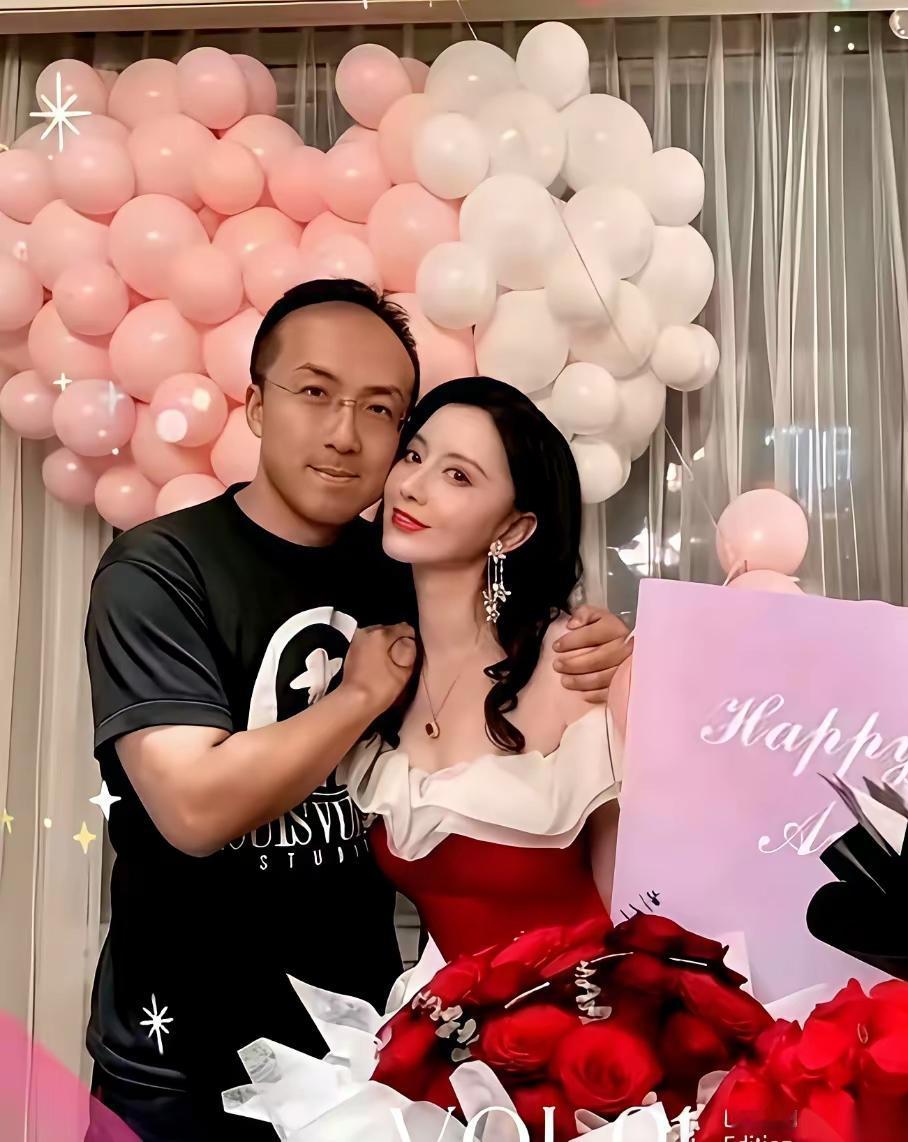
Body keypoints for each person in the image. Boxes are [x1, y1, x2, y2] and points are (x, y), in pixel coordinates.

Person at [83, 280, 631, 1142]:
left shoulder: (402, 570)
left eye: (380, 411)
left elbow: (505, 651)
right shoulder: (160, 571)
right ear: (256, 404)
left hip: (365, 1054)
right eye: (314, 392)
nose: (346, 434)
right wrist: (363, 695)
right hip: (183, 1058)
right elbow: (193, 810)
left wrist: (605, 650)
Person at [338, 377, 625, 970]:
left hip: (592, 1012)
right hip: (445, 1018)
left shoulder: (575, 664)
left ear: (513, 530)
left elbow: (641, 911)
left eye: (458, 475)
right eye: (413, 456)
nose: (412, 486)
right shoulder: (376, 665)